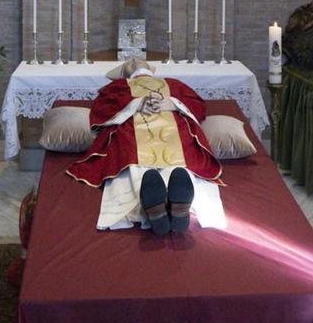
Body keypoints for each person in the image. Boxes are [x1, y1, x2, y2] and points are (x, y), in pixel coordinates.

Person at [66, 60, 224, 234]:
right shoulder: (173, 83)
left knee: (132, 157)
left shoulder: (119, 86)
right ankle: (176, 205)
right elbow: (199, 106)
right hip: (170, 128)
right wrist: (171, 104)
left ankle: (152, 206)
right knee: (180, 160)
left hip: (134, 127)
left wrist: (145, 105)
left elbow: (101, 108)